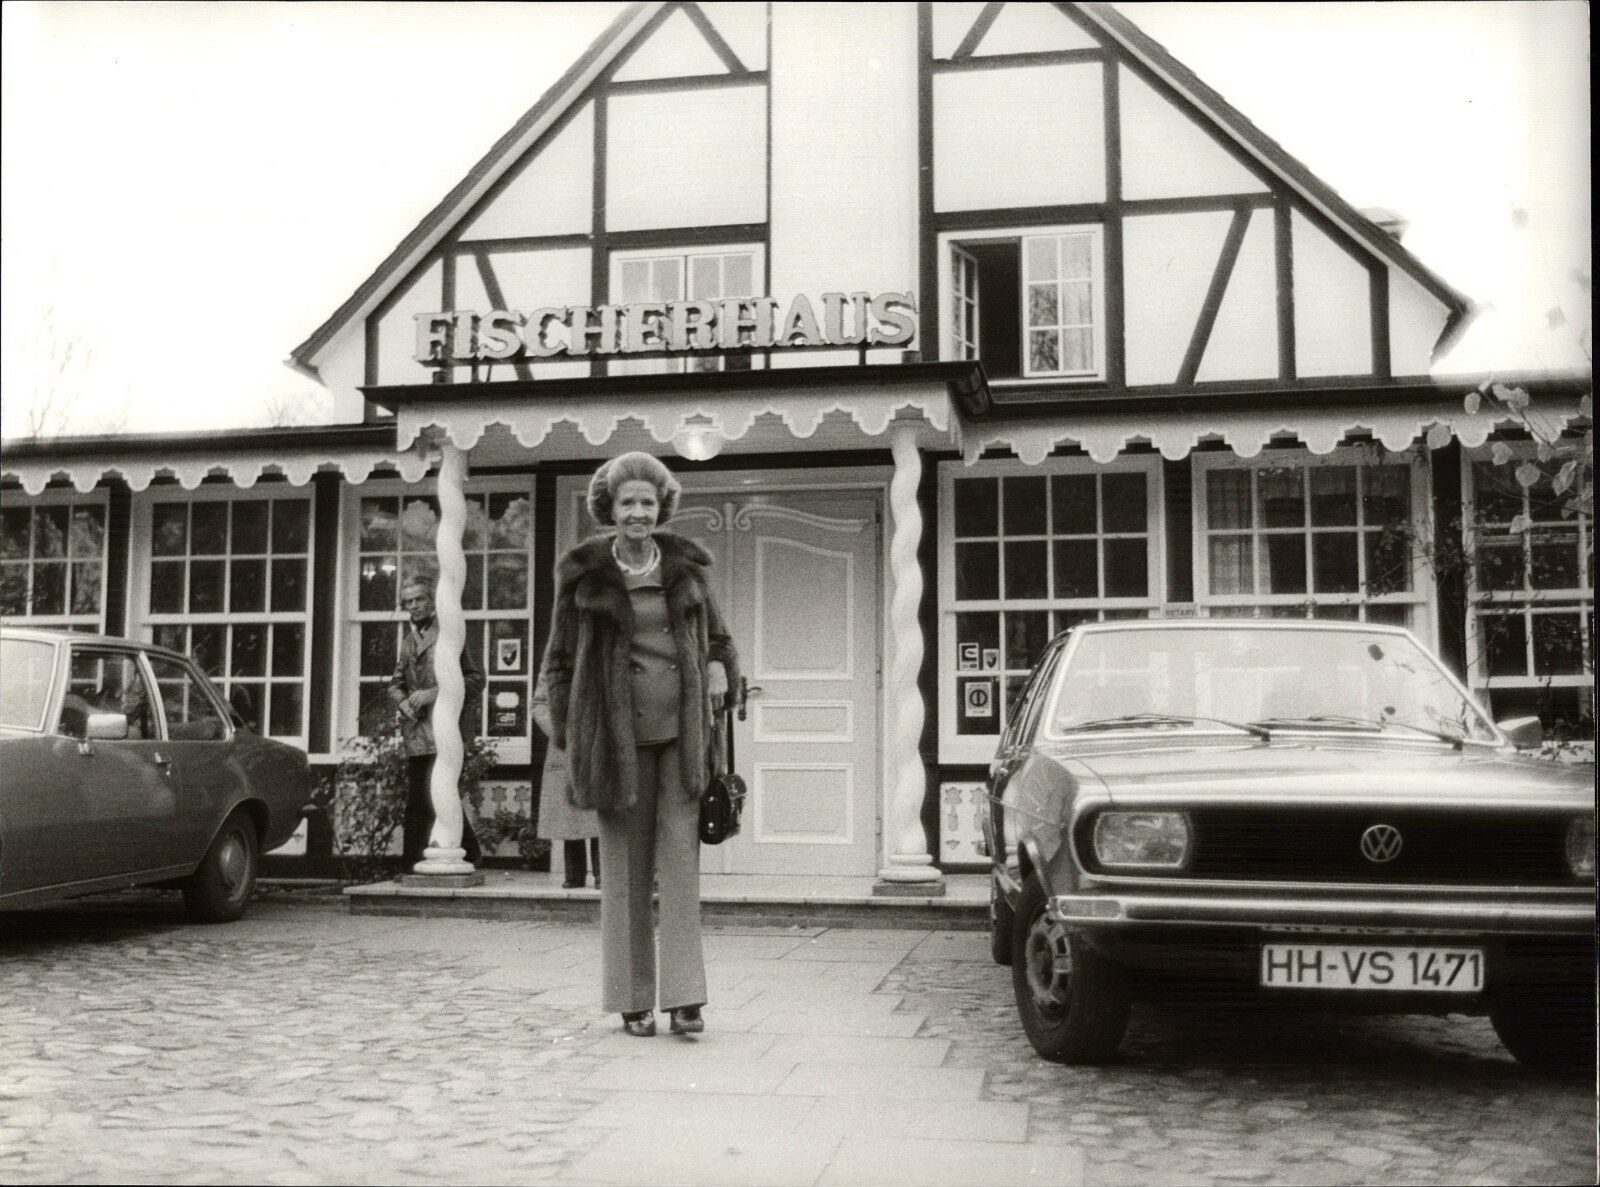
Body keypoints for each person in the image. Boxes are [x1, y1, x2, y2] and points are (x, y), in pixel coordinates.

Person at [543, 451, 737, 1038]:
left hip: (682, 743)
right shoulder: (583, 576)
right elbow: (558, 664)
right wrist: (574, 735)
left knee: (680, 870)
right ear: (609, 508)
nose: (637, 512)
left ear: (661, 509)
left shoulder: (688, 570)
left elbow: (720, 641)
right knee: (624, 874)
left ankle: (685, 1000)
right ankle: (632, 1001)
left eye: (647, 502)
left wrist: (721, 668)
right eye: (626, 502)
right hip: (614, 746)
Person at [389, 575, 485, 867]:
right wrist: (404, 702)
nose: (414, 606)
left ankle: (415, 864)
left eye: (419, 599)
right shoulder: (407, 642)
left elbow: (476, 679)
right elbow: (395, 684)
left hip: (446, 729)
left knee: (428, 796)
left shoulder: (452, 633)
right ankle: (466, 854)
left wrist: (433, 693)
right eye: (408, 601)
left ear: (432, 600)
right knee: (425, 797)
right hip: (417, 731)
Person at [530, 665, 600, 889]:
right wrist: (561, 732)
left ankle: (603, 873)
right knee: (568, 814)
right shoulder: (554, 663)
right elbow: (539, 705)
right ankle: (574, 875)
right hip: (564, 748)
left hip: (597, 743)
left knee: (600, 812)